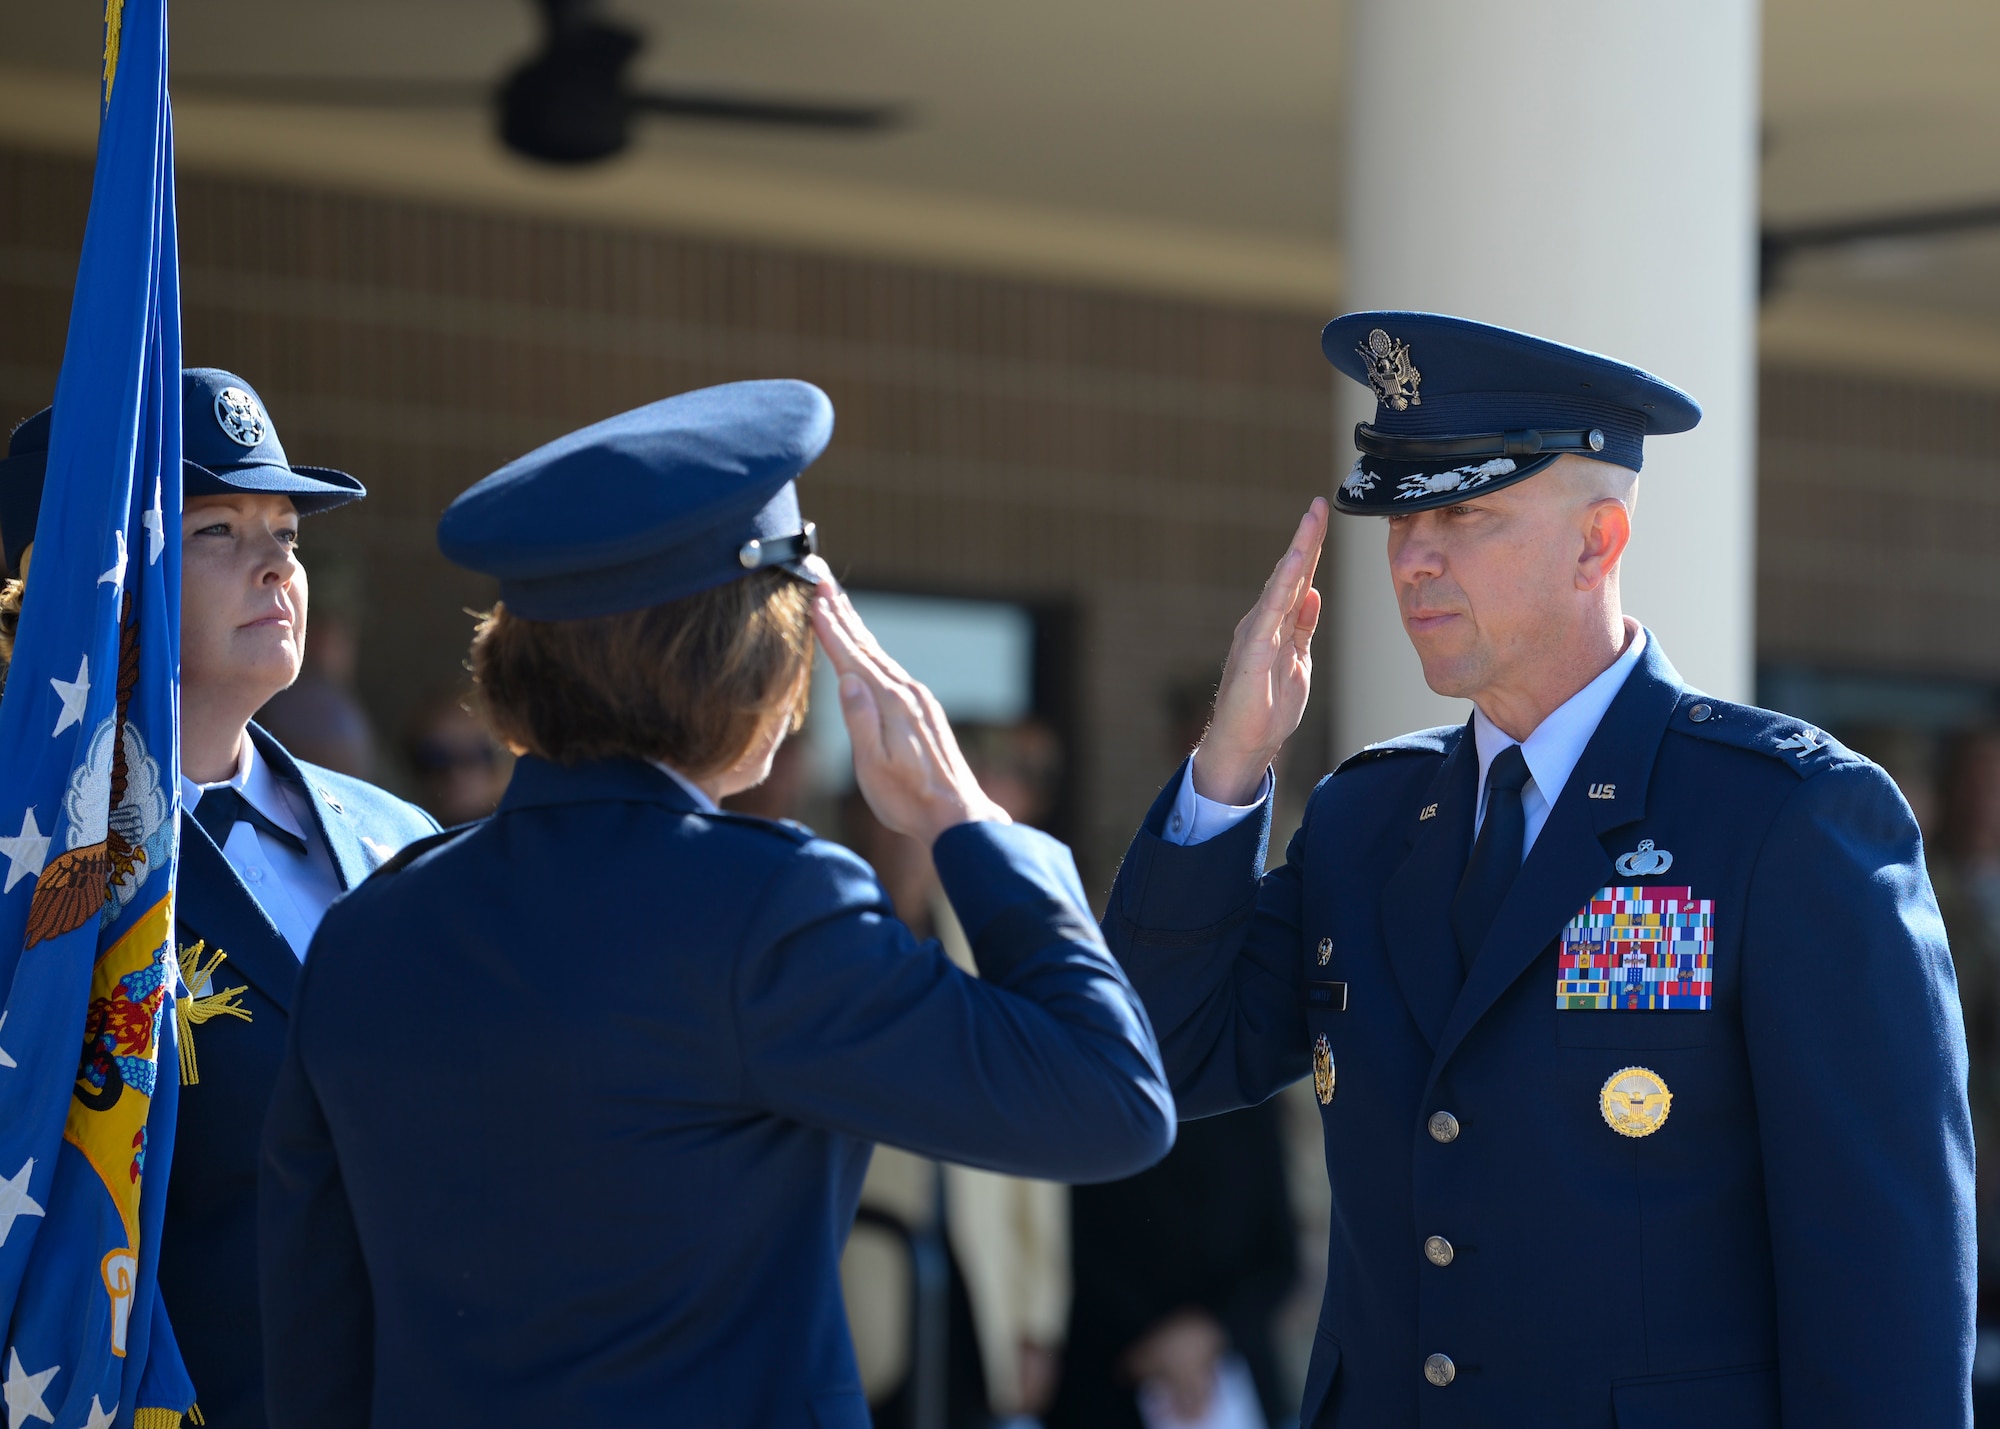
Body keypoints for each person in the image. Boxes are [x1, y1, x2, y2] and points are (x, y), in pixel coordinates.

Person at [1102, 312, 1974, 1427]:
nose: (1412, 556)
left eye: (1463, 511)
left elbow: (1879, 1274)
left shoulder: (1783, 818)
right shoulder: (1370, 818)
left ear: (1594, 544)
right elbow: (1159, 1057)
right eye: (1401, 516)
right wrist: (1227, 767)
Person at [257, 379, 1175, 1428]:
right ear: (743, 655)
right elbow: (1111, 1099)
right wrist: (966, 822)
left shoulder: (372, 924)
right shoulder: (771, 904)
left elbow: (312, 1341)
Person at [0, 370, 440, 1428]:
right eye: (217, 529)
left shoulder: (403, 841)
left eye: (286, 529)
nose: (278, 562)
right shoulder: (40, 870)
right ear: (106, 573)